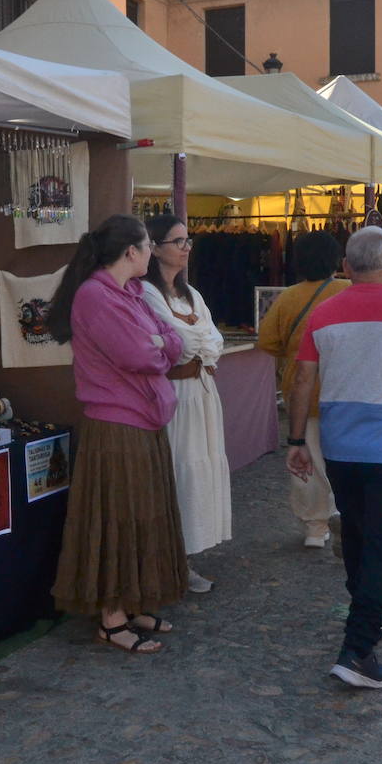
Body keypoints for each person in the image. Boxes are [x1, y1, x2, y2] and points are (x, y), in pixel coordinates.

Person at [286, 226, 382, 688]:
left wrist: (296, 440)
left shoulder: (323, 314)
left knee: (356, 533)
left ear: (347, 268)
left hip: (341, 447)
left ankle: (362, 616)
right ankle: (358, 647)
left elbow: (302, 381)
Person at [47, 214, 187, 654]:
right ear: (132, 252)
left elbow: (173, 341)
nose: (153, 253)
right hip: (115, 425)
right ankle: (111, 617)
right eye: (148, 246)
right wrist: (160, 345)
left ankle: (131, 600)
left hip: (141, 420)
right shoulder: (94, 296)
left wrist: (160, 344)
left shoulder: (131, 294)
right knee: (117, 518)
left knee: (143, 514)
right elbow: (138, 353)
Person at [142, 215, 231, 591]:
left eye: (187, 241)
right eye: (177, 241)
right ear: (155, 248)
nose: (185, 248)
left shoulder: (192, 294)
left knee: (200, 469)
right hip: (175, 395)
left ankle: (186, 556)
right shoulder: (147, 294)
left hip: (202, 392)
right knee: (178, 469)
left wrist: (196, 343)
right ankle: (168, 559)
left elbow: (214, 342)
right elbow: (179, 343)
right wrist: (195, 342)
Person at [256, 231, 350, 548]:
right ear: (337, 260)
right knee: (344, 460)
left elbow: (267, 342)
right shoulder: (349, 292)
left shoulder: (288, 298)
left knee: (306, 460)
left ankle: (315, 527)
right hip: (345, 391)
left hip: (302, 394)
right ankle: (346, 513)